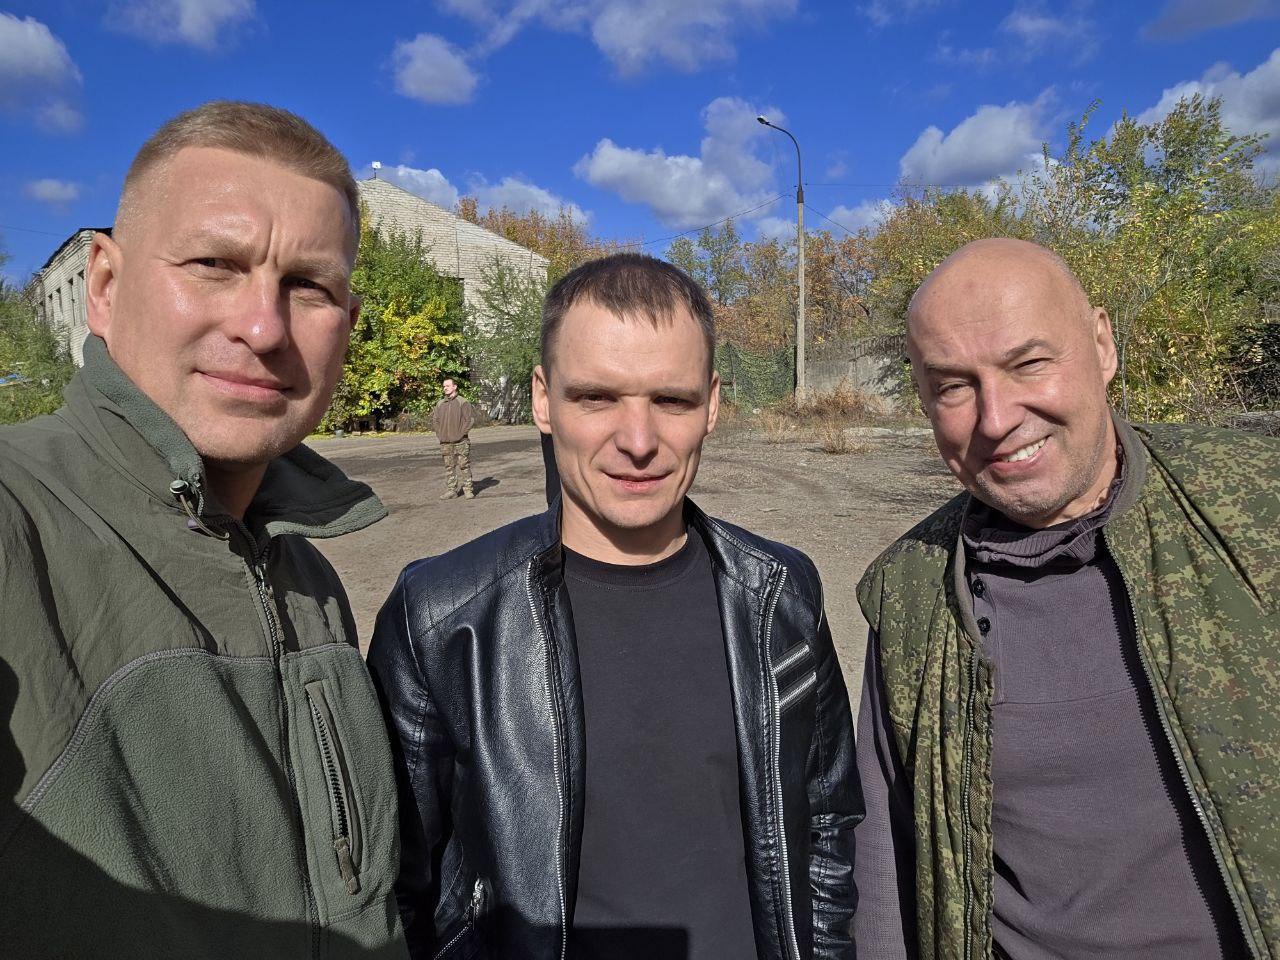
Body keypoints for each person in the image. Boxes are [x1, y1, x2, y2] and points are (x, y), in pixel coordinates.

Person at [368, 253, 862, 959]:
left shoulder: (780, 595)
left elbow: (826, 825)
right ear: (543, 400)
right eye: (597, 397)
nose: (638, 442)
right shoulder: (443, 618)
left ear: (712, 405)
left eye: (672, 400)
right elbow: (401, 890)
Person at [0, 101, 407, 958]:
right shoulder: (17, 517)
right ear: (104, 286)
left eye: (309, 286)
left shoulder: (305, 574)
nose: (263, 327)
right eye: (214, 264)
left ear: (346, 327)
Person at [853, 237, 1279, 959]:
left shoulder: (1256, 504)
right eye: (953, 386)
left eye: (1028, 364)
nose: (996, 418)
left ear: (1102, 345)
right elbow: (884, 868)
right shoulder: (912, 591)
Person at [431, 377, 475, 499]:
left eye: (448, 386)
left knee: (464, 465)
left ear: (454, 387)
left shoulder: (463, 402)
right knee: (449, 467)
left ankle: (468, 490)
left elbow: (469, 420)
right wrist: (440, 435)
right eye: (444, 386)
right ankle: (452, 491)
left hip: (461, 441)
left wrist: (461, 434)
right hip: (445, 442)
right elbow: (435, 421)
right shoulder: (440, 404)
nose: (445, 388)